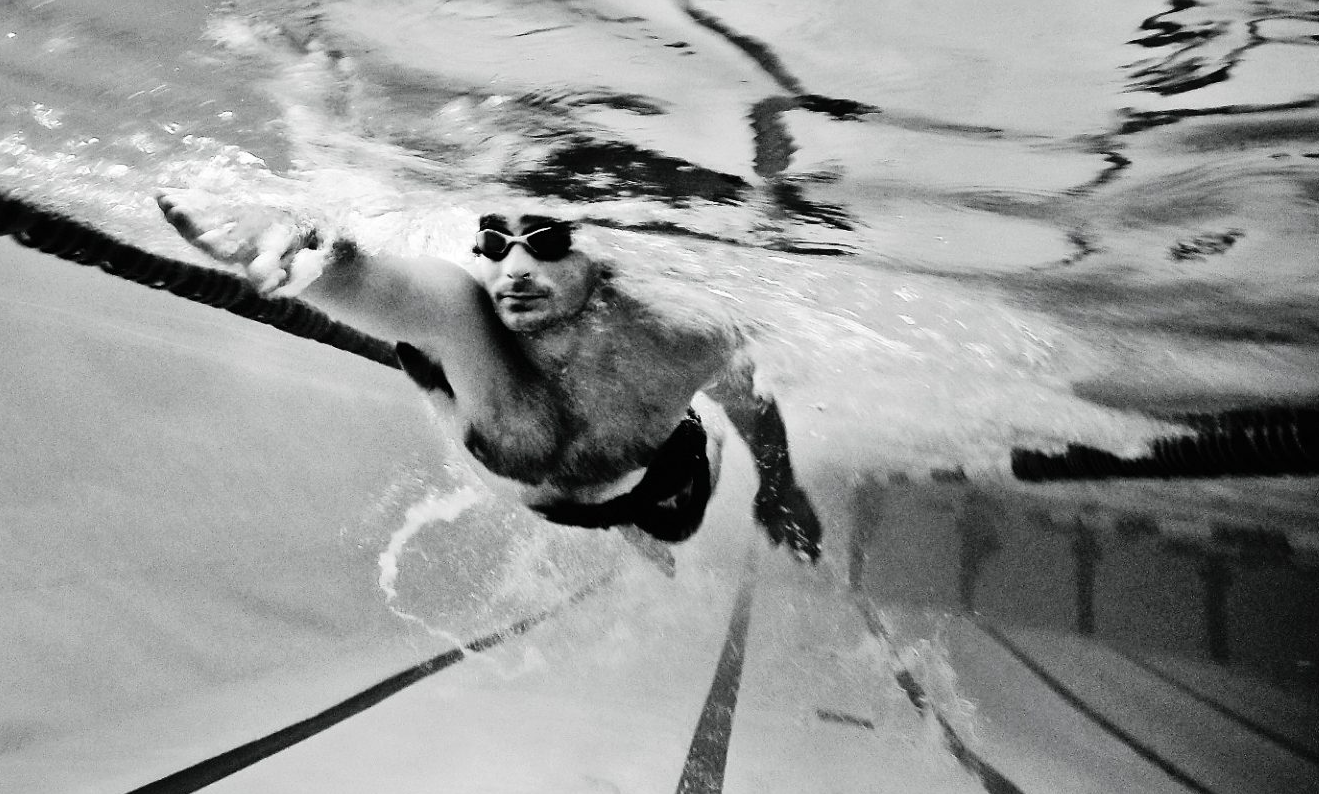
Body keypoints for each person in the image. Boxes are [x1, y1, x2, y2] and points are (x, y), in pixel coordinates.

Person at [157, 195, 823, 562]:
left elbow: (749, 396)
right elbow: (369, 280)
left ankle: (641, 513)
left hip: (638, 476)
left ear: (598, 249)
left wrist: (779, 482)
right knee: (437, 354)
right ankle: (623, 525)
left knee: (675, 528)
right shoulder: (459, 314)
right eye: (497, 247)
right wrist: (297, 242)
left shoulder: (674, 339)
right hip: (532, 488)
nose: (514, 271)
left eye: (548, 240)